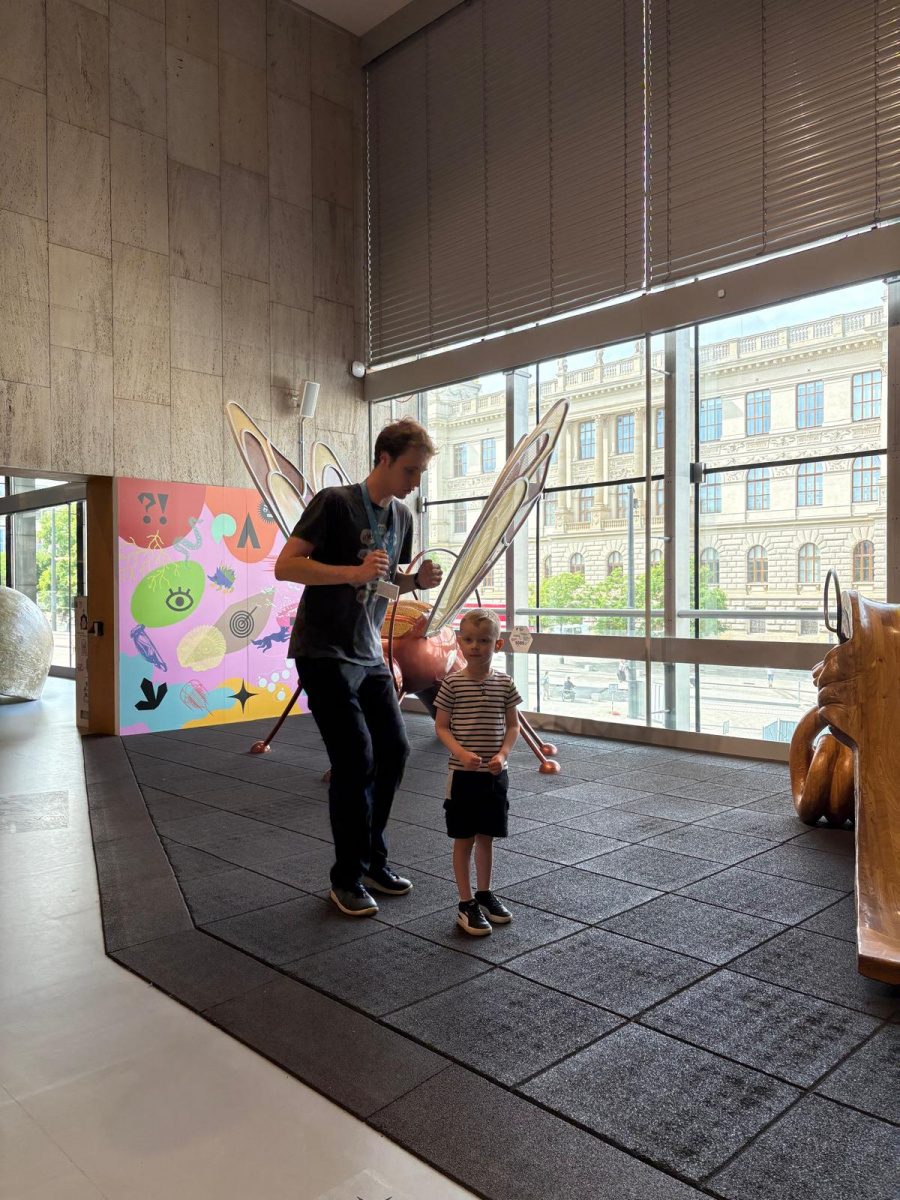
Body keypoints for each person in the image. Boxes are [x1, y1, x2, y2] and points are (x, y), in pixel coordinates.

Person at [274, 419, 443, 917]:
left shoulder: (403, 517)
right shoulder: (335, 502)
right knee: (355, 759)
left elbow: (383, 583)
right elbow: (286, 566)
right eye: (410, 470)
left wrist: (415, 582)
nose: (415, 481)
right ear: (383, 459)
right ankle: (345, 879)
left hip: (368, 653)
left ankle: (371, 862)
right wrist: (353, 570)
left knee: (394, 750)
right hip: (323, 650)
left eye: (421, 472)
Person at [434, 609, 521, 936]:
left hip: (495, 776)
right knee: (464, 838)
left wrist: (503, 755)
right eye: (469, 640)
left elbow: (513, 726)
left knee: (487, 836)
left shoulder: (505, 683)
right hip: (463, 776)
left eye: (483, 641)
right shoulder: (452, 684)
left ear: (497, 644)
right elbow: (441, 727)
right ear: (459, 643)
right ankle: (465, 902)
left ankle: (484, 894)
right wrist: (460, 753)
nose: (475, 646)